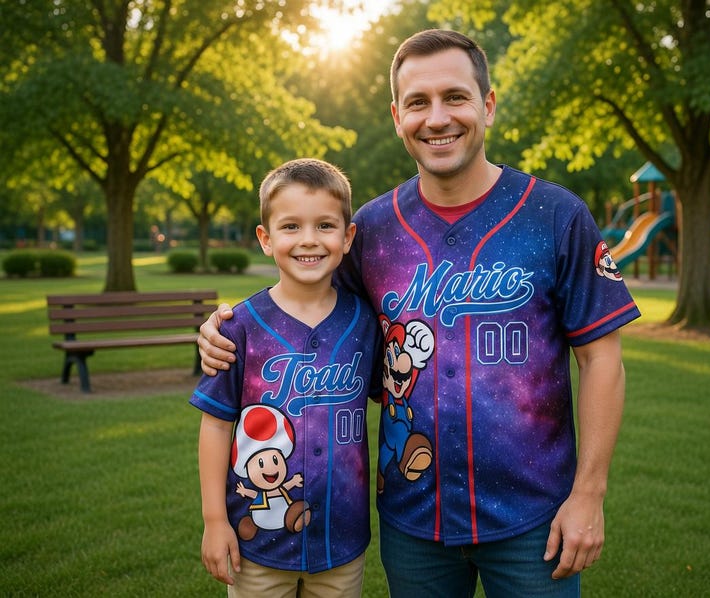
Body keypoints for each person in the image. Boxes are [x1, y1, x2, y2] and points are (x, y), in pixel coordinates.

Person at [198, 30, 641, 597]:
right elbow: (309, 305)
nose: (437, 118)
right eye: (417, 102)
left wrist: (589, 494)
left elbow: (602, 359)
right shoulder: (371, 229)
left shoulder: (556, 215)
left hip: (537, 515)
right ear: (397, 116)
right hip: (414, 517)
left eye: (455, 97)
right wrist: (227, 327)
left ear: (488, 104)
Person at [190, 158, 381, 597]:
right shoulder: (239, 327)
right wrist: (214, 521)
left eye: (325, 226)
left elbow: (390, 396)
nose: (308, 239)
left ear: (347, 236)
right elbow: (216, 425)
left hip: (341, 539)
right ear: (265, 238)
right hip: (257, 545)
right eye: (291, 226)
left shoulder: (365, 322)